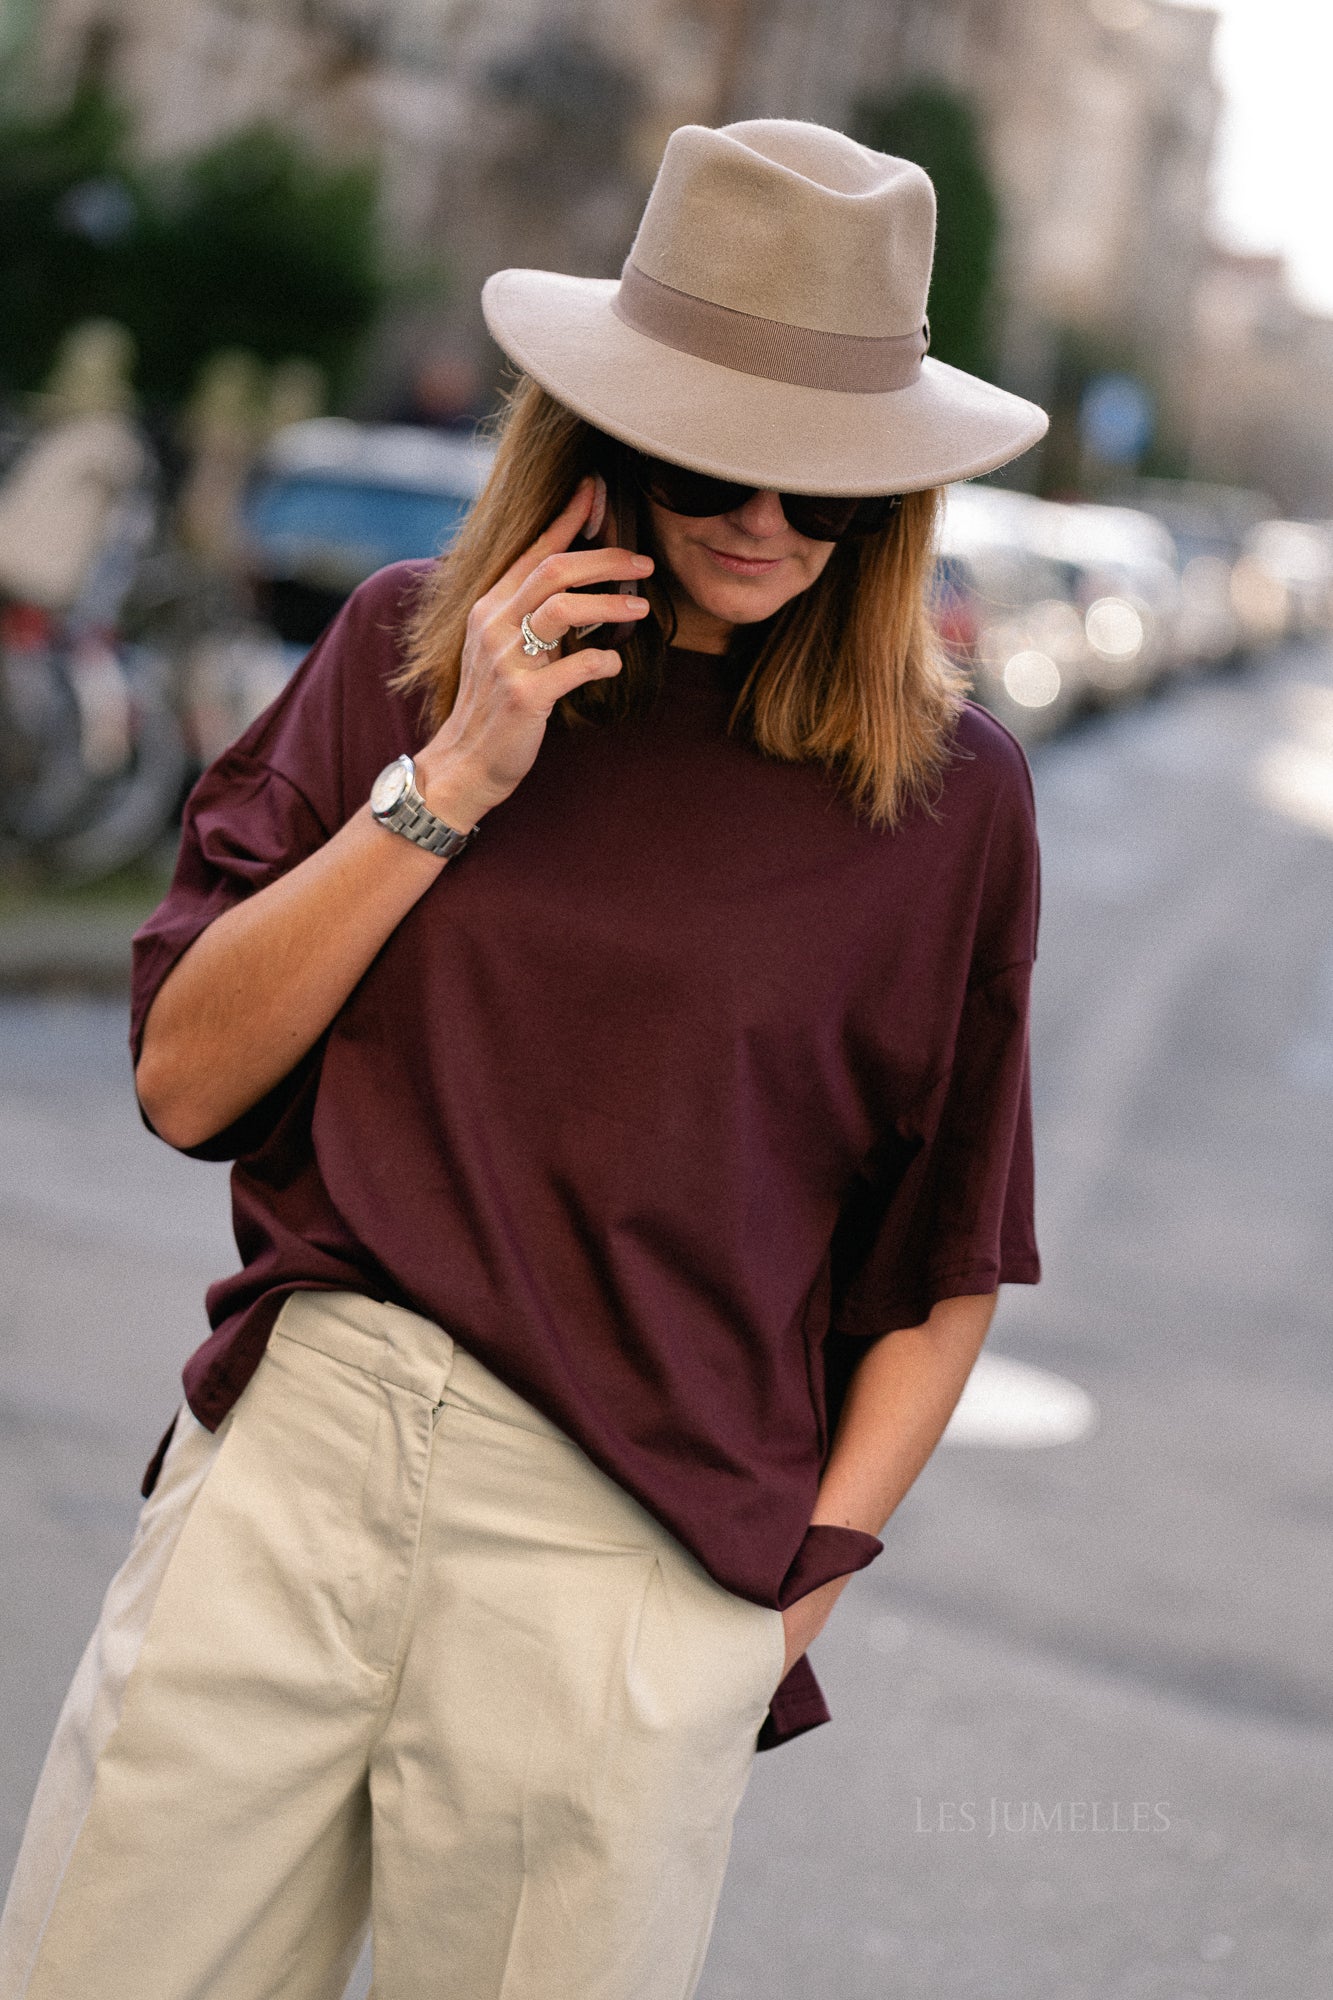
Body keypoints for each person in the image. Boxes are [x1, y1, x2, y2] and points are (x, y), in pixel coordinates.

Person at [0, 117, 1048, 2000]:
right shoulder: (406, 651)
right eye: (711, 459)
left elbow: (942, 1262)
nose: (764, 522)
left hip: (630, 1563)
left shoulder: (947, 799)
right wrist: (453, 780)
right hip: (301, 1468)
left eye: (828, 487)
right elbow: (184, 1082)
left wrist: (778, 1600)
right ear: (603, 425)